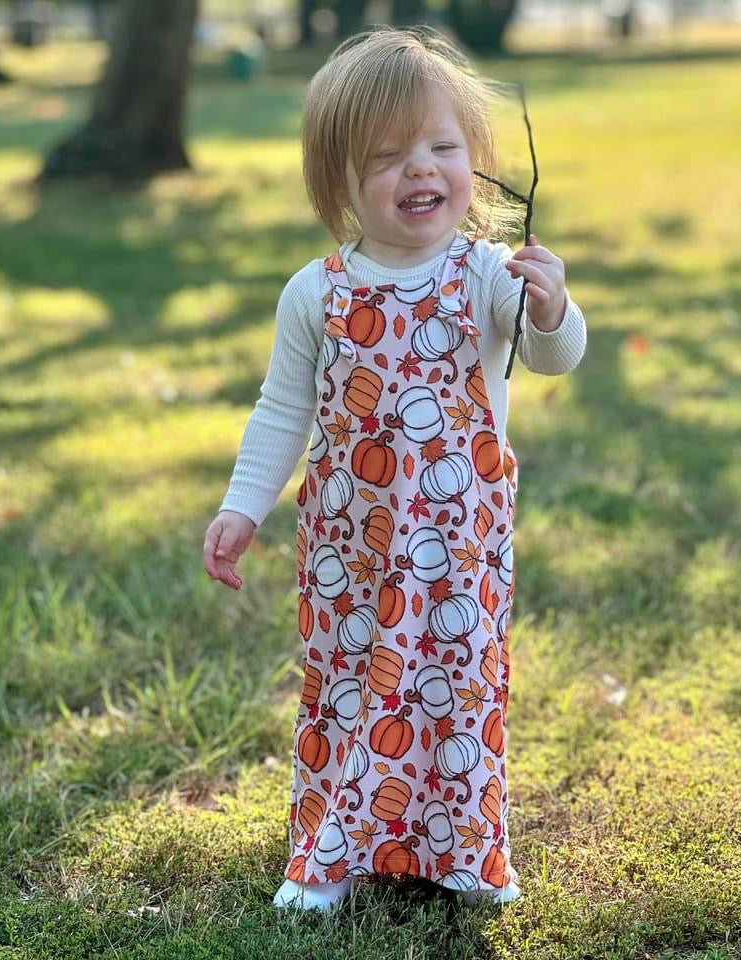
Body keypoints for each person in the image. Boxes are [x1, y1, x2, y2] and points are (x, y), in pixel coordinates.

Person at [203, 24, 587, 913]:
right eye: (388, 157)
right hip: (353, 546)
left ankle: (462, 848)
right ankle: (333, 849)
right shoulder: (318, 291)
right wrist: (241, 506)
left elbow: (552, 356)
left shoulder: (487, 274)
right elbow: (282, 411)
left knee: (456, 689)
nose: (421, 170)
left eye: (442, 148)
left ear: (475, 161)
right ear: (336, 181)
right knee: (349, 685)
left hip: (458, 544)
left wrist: (555, 306)